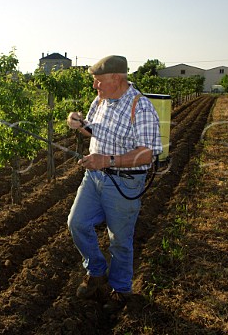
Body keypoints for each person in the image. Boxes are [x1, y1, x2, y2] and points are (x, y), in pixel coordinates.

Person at [66, 55, 162, 312]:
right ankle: (96, 272)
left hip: (124, 182)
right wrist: (77, 123)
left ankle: (121, 289)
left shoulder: (140, 108)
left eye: (98, 81)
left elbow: (146, 155)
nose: (95, 86)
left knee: (119, 239)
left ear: (116, 79)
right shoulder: (101, 100)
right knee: (76, 223)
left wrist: (106, 160)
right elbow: (92, 129)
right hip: (94, 177)